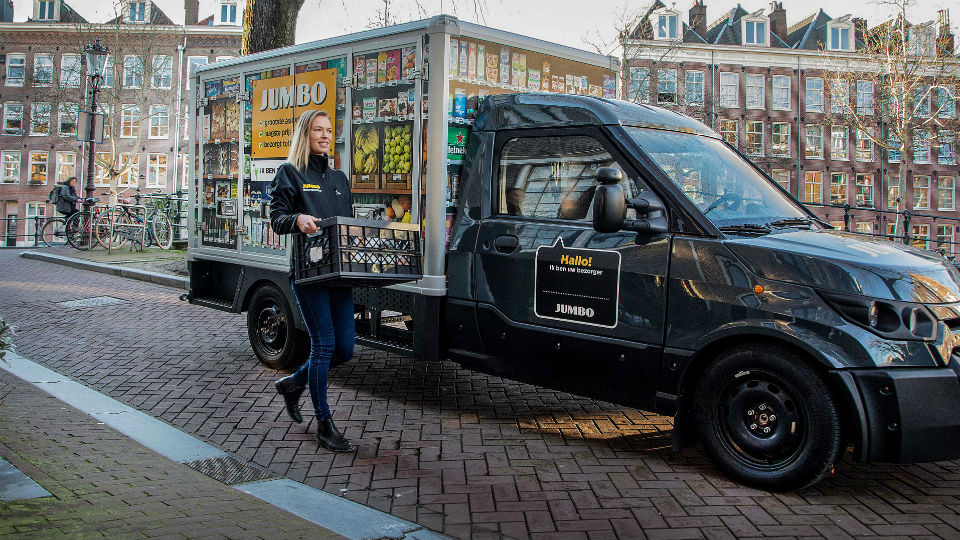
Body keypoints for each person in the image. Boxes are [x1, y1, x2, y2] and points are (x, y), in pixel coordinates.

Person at [269, 109, 356, 453]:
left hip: (339, 274)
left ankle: (294, 383)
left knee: (344, 350)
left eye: (328, 130)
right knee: (323, 346)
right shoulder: (290, 173)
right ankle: (324, 423)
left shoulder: (339, 178)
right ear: (305, 135)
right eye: (317, 130)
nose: (324, 135)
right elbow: (277, 218)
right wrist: (298, 219)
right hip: (309, 275)